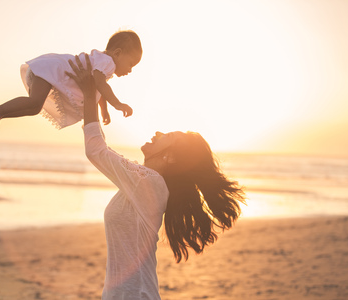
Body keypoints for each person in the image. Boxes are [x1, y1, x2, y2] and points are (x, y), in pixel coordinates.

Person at [68, 55, 246, 299]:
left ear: (171, 158)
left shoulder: (149, 183)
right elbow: (105, 153)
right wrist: (98, 101)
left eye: (166, 136)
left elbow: (97, 151)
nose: (157, 133)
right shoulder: (145, 182)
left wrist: (90, 95)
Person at [0, 30, 142, 136]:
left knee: (35, 107)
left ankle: (1, 113)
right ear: (118, 53)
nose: (130, 70)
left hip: (47, 68)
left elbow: (98, 88)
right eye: (131, 64)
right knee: (34, 102)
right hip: (50, 69)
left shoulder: (102, 62)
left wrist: (104, 110)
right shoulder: (108, 63)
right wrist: (118, 104)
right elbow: (102, 85)